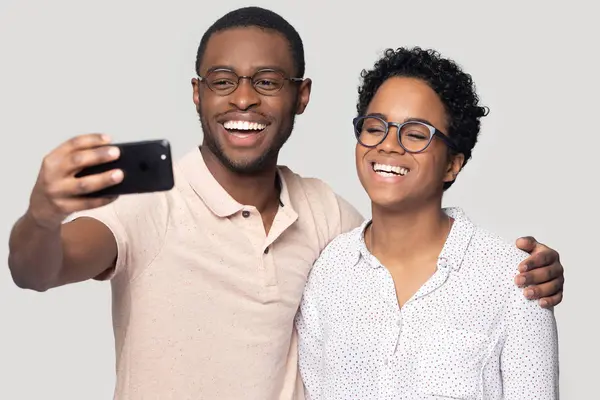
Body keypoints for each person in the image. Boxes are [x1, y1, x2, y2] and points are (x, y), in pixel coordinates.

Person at [8, 6, 563, 400]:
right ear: (197, 93)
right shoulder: (147, 202)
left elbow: (398, 240)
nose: (243, 97)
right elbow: (37, 269)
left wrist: (530, 273)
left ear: (302, 96)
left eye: (267, 81)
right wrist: (41, 215)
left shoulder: (327, 217)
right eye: (223, 80)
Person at [295, 47, 559, 399]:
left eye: (416, 134)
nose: (388, 145)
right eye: (375, 128)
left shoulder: (514, 278)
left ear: (453, 164)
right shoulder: (329, 271)